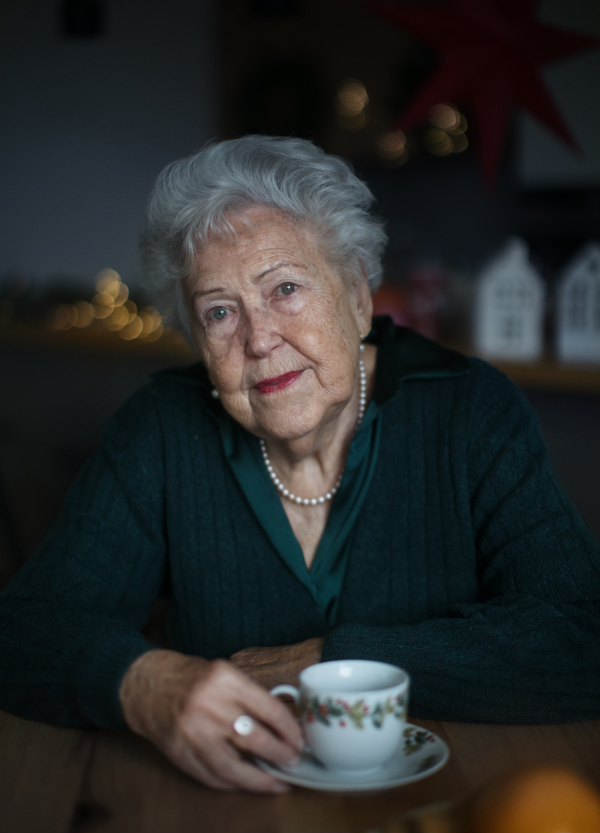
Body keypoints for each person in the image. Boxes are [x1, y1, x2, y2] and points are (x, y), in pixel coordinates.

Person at [1, 136, 599, 793]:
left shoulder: (470, 412)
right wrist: (142, 683)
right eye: (220, 312)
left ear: (357, 298)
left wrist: (326, 663)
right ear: (198, 342)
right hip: (223, 814)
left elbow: (581, 636)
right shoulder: (161, 430)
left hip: (449, 800)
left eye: (285, 288)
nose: (259, 340)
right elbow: (24, 634)